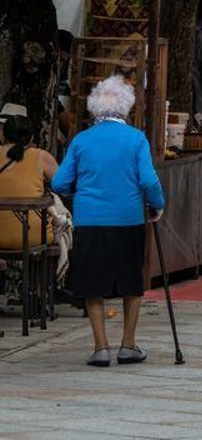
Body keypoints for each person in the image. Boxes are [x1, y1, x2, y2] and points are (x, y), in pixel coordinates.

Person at [51, 76, 165, 365]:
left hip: (90, 220)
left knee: (92, 283)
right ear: (126, 109)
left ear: (94, 109)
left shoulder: (81, 140)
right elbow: (149, 180)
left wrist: (83, 189)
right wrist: (157, 205)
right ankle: (128, 344)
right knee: (131, 282)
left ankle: (101, 347)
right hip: (127, 219)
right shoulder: (136, 139)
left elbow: (60, 182)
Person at [0, 115, 59, 252]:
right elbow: (63, 186)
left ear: (3, 135)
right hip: (34, 237)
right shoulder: (41, 156)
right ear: (31, 137)